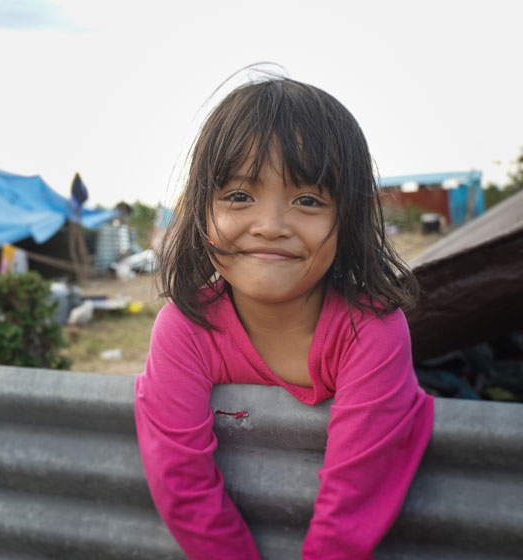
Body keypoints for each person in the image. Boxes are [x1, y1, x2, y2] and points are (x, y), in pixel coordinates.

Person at [134, 74, 434, 559]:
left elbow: (349, 511)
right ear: (201, 211)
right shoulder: (186, 329)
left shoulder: (370, 332)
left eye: (308, 200)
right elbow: (183, 486)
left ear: (350, 218)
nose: (271, 226)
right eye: (238, 196)